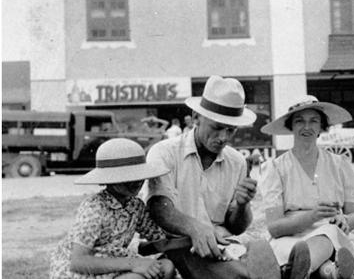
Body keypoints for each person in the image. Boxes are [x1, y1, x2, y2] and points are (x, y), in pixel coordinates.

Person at [143, 75, 279, 279]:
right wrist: (195, 228)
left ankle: (269, 270)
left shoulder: (237, 162)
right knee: (241, 274)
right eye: (216, 128)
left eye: (231, 130)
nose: (223, 137)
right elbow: (159, 209)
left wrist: (242, 205)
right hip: (180, 244)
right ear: (196, 117)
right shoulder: (164, 152)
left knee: (251, 253)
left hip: (223, 244)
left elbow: (236, 227)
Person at [259, 95, 354, 279]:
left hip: (330, 235)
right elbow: (274, 227)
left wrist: (345, 220)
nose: (307, 127)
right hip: (290, 239)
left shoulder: (339, 165)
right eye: (299, 121)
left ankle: (297, 270)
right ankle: (322, 270)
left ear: (322, 127)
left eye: (313, 121)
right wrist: (311, 216)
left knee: (329, 234)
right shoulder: (275, 168)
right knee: (304, 253)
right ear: (291, 126)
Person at [50, 138, 175, 279]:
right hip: (83, 272)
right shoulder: (95, 209)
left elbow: (160, 241)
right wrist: (134, 263)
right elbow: (78, 262)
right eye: (128, 178)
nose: (137, 182)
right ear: (109, 179)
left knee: (166, 267)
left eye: (139, 176)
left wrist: (193, 237)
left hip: (116, 265)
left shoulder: (135, 206)